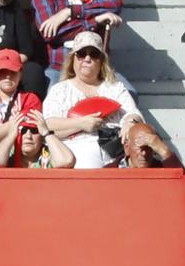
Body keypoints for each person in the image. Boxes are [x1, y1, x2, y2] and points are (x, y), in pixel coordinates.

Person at [42, 31, 137, 168]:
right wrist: (81, 123)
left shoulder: (115, 88)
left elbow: (133, 113)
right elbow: (49, 124)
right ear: (73, 59)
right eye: (81, 54)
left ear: (101, 61)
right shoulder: (59, 90)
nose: (87, 59)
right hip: (75, 156)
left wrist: (130, 122)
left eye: (94, 54)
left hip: (115, 156)